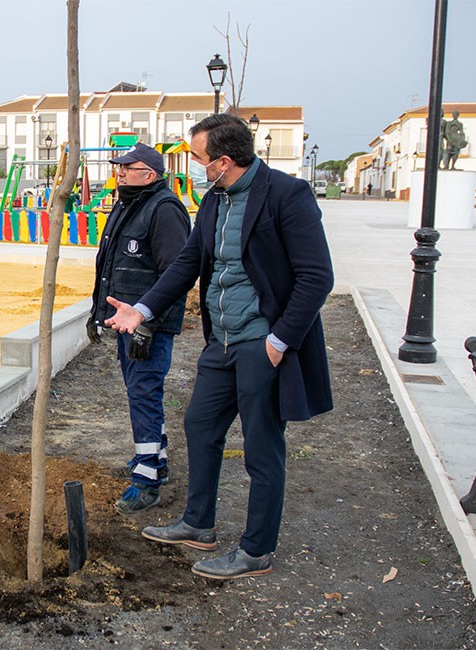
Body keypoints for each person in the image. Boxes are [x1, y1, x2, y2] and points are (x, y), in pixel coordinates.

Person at [105, 113, 334, 580]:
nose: (194, 166)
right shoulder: (213, 200)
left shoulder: (288, 196)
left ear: (224, 161)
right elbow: (187, 263)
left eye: (198, 158)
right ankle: (198, 524)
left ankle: (256, 550)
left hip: (262, 344)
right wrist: (143, 310)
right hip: (221, 343)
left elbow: (317, 277)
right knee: (200, 426)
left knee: (262, 449)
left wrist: (278, 341)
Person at [85, 143, 191, 514]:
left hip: (147, 328)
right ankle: (154, 461)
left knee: (144, 395)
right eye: (119, 166)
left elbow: (176, 275)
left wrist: (149, 323)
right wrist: (97, 313)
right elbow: (110, 266)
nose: (120, 171)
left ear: (151, 174)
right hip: (126, 323)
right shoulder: (128, 204)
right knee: (138, 392)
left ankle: (147, 481)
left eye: (129, 167)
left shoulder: (163, 210)